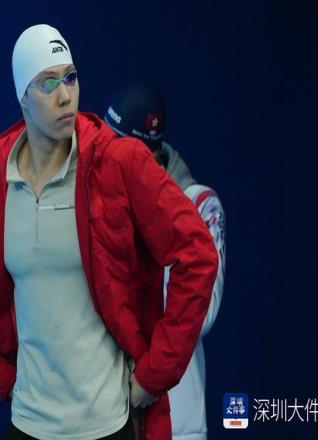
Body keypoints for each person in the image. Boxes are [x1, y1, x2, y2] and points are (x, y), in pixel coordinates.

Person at [0, 24, 218, 440]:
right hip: (28, 422)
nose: (65, 95)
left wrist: (155, 374)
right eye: (48, 83)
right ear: (22, 95)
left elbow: (198, 254)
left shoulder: (117, 163)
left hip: (106, 424)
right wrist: (1, 377)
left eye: (71, 78)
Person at [104, 80, 226, 440]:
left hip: (175, 416)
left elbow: (202, 310)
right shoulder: (97, 200)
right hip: (101, 412)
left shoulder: (199, 204)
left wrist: (149, 219)